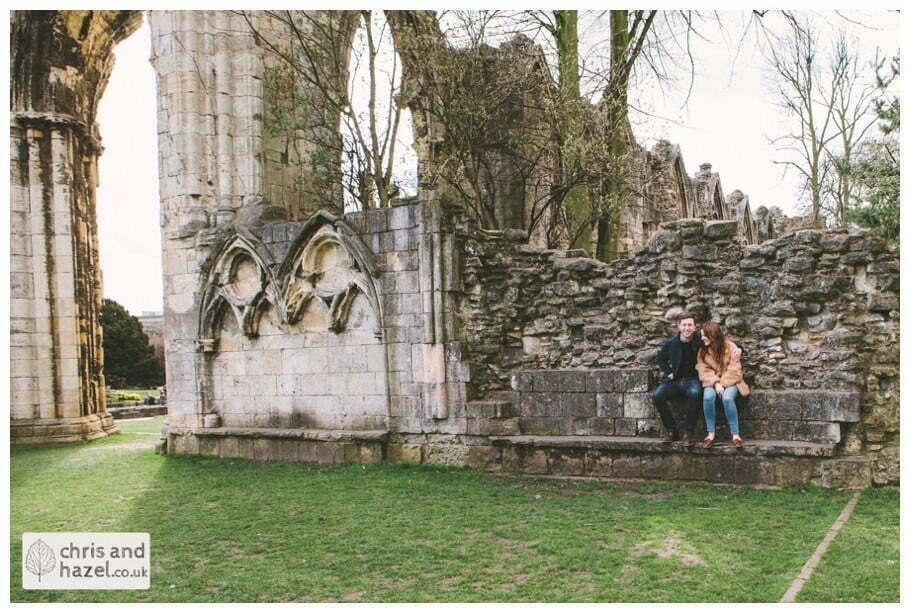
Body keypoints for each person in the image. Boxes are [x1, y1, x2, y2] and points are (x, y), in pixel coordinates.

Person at [652, 312, 705, 446]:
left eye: (690, 325)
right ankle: (671, 430)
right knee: (657, 395)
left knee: (696, 394)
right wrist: (668, 372)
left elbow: (721, 343)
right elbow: (660, 359)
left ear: (694, 327)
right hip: (674, 380)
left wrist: (738, 349)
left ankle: (687, 432)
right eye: (684, 325)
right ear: (679, 326)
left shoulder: (700, 340)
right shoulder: (671, 343)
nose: (687, 328)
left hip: (693, 378)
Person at [696, 322, 750, 448]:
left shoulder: (730, 347)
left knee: (727, 398)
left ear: (713, 335)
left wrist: (722, 383)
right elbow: (703, 370)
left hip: (731, 381)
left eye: (705, 335)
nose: (702, 338)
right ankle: (710, 434)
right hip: (712, 382)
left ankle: (735, 434)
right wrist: (715, 383)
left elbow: (735, 370)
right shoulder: (703, 350)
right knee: (708, 397)